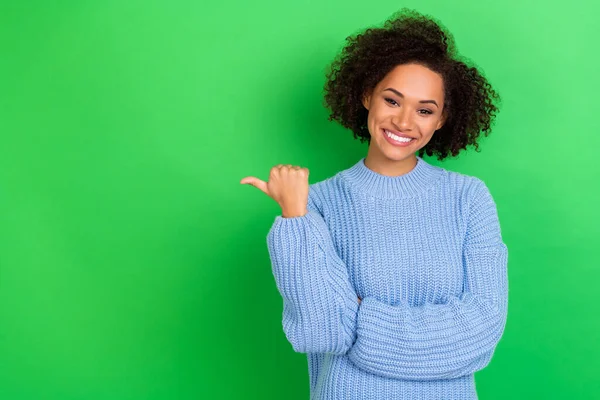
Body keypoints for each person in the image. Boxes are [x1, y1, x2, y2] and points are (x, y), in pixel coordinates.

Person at [240, 8, 508, 400]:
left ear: (441, 120)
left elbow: (480, 334)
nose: (404, 121)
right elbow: (322, 330)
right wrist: (296, 217)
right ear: (367, 95)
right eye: (392, 100)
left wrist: (362, 315)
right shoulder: (317, 202)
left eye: (425, 110)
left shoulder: (468, 198)